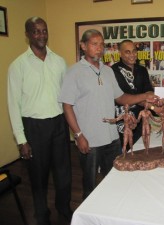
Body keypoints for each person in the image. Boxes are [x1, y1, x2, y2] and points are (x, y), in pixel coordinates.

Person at [59, 29, 155, 199]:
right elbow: (67, 106)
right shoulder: (74, 72)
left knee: (114, 180)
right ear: (83, 46)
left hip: (112, 138)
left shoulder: (108, 71)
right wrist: (78, 135)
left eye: (101, 44)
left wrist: (145, 96)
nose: (99, 48)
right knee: (90, 185)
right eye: (94, 44)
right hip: (90, 140)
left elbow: (120, 98)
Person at [7, 17, 72, 225]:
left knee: (64, 173)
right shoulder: (17, 66)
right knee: (38, 176)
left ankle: (64, 207)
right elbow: (13, 105)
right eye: (36, 31)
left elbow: (67, 97)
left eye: (44, 30)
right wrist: (21, 139)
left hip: (59, 124)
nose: (41, 35)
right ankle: (41, 214)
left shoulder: (59, 61)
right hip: (34, 127)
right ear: (27, 35)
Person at [112, 39, 154, 151]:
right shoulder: (113, 71)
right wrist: (148, 100)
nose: (132, 55)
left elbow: (149, 90)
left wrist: (152, 97)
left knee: (141, 150)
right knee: (123, 153)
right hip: (123, 120)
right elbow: (125, 97)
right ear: (120, 53)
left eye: (134, 51)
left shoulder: (142, 70)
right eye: (127, 52)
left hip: (141, 119)